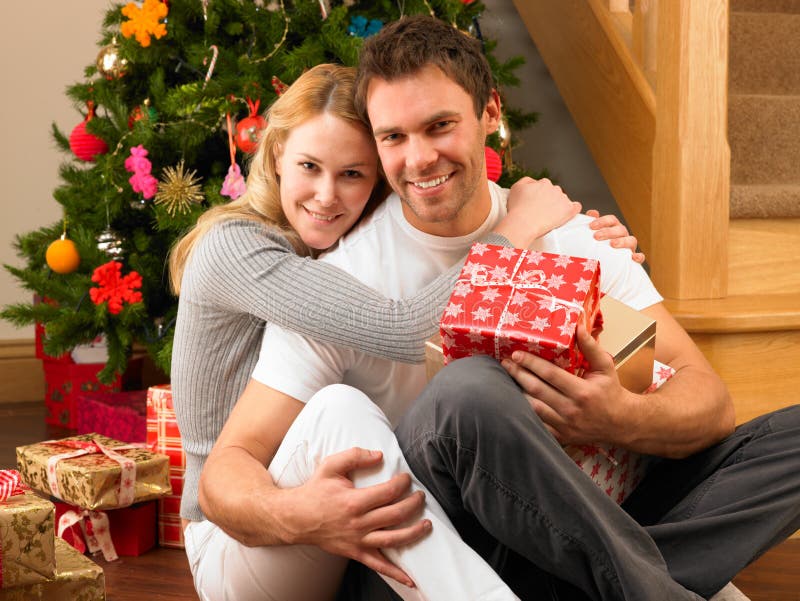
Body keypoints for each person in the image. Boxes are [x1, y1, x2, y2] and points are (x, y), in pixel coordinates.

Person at [204, 14, 800, 601]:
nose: (418, 159)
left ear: (489, 112)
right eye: (393, 137)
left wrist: (618, 416)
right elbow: (231, 467)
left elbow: (710, 402)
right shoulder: (345, 282)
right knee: (471, 390)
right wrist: (303, 515)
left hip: (579, 531)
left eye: (439, 126)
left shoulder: (572, 235)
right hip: (443, 555)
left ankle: (608, 580)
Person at [170, 63, 639, 600]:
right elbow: (404, 328)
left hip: (335, 525)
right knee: (338, 408)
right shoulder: (238, 247)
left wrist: (587, 237)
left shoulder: (340, 244)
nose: (327, 195)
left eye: (352, 175)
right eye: (309, 166)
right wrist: (519, 227)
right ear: (276, 155)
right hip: (239, 535)